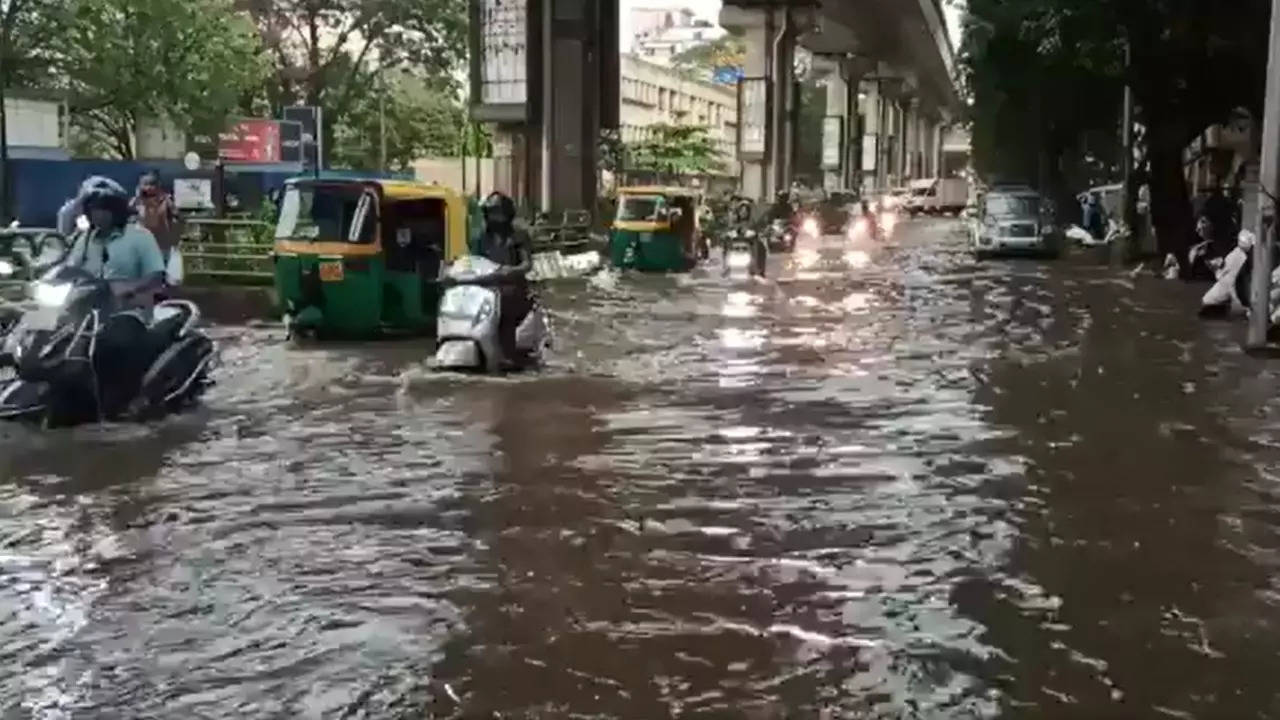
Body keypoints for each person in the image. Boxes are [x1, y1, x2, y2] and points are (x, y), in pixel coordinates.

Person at [64, 178, 167, 312]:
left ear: (117, 211)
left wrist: (128, 287)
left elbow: (156, 276)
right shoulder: (85, 239)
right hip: (87, 310)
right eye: (93, 209)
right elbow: (71, 268)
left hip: (128, 310)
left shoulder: (140, 236)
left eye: (103, 209)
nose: (97, 214)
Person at [464, 192, 533, 361]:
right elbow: (471, 262)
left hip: (511, 290)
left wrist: (511, 271)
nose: (495, 218)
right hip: (486, 289)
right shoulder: (480, 238)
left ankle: (509, 355)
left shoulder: (519, 236)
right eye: (491, 213)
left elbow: (527, 264)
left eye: (498, 213)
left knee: (507, 313)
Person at [130, 170, 180, 261]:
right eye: (145, 184)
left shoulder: (166, 200)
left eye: (152, 184)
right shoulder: (137, 201)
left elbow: (176, 215)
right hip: (142, 244)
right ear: (140, 186)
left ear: (158, 185)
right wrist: (137, 197)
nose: (149, 187)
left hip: (161, 244)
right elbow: (128, 215)